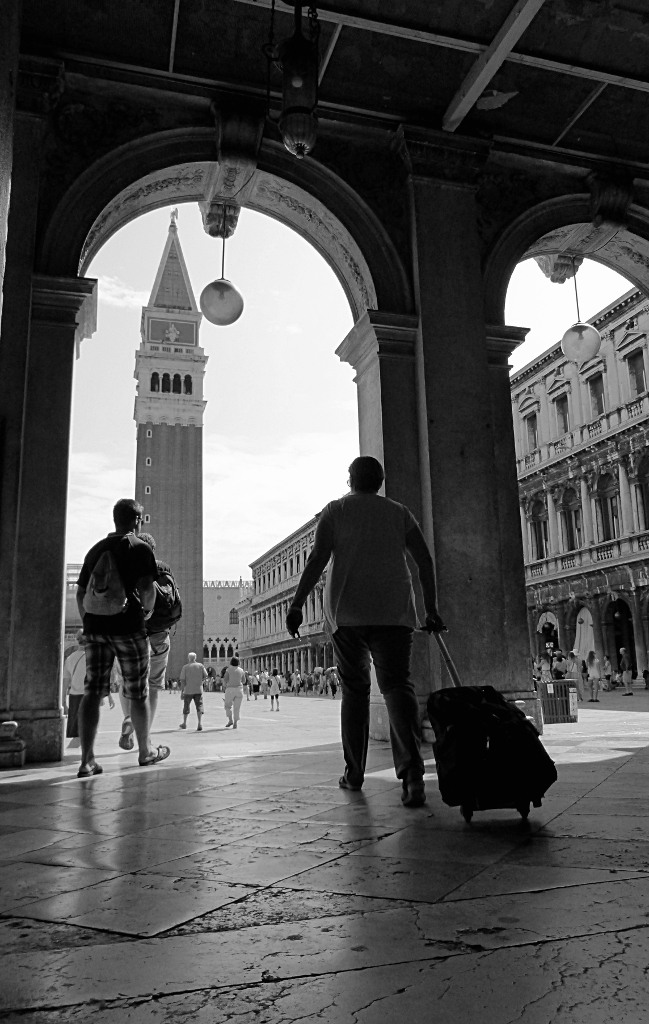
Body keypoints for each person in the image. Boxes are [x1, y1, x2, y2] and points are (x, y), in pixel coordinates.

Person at [286, 455, 444, 808]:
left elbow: (317, 560)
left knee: (355, 691)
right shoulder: (398, 512)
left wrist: (296, 605)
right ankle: (412, 775)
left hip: (347, 614)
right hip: (394, 612)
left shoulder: (335, 510)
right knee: (397, 686)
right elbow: (424, 561)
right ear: (381, 480)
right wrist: (431, 608)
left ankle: (354, 772)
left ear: (350, 480)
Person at [76, 498, 170, 777]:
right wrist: (147, 612)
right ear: (138, 521)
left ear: (114, 519)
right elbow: (148, 590)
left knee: (92, 692)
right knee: (137, 690)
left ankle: (87, 760)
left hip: (96, 629)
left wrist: (89, 622)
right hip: (129, 628)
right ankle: (145, 751)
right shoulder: (139, 548)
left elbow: (82, 593)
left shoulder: (96, 550)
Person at [118, 532, 180, 750]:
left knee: (128, 682)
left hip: (132, 634)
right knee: (153, 686)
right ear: (152, 549)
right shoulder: (163, 568)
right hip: (160, 635)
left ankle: (128, 718)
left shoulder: (125, 567)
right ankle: (145, 736)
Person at [62, 633, 86, 749]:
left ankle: (74, 750)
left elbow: (65, 681)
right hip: (88, 695)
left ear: (77, 641)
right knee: (88, 726)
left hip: (74, 696)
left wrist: (63, 702)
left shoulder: (70, 658)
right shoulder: (91, 657)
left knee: (76, 730)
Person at [179, 652, 208, 730]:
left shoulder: (185, 667)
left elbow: (182, 680)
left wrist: (182, 692)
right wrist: (201, 682)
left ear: (188, 658)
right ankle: (199, 724)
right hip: (198, 689)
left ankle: (184, 723)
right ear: (195, 658)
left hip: (188, 690)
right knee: (199, 706)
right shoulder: (200, 666)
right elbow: (206, 675)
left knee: (186, 706)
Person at [223, 657, 245, 728]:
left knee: (227, 706)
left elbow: (225, 679)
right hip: (239, 690)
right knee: (237, 707)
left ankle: (230, 720)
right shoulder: (241, 670)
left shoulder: (228, 670)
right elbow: (244, 681)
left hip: (230, 689)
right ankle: (235, 723)